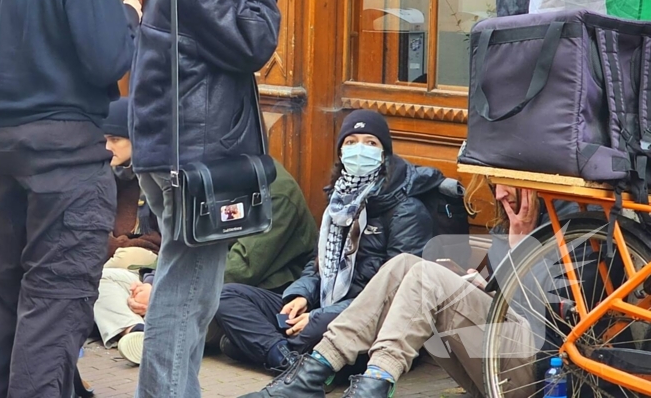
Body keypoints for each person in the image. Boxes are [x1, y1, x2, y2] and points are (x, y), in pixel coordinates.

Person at [0, 0, 140, 398]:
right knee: (54, 299)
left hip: (0, 138)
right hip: (63, 150)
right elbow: (108, 59)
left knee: (5, 289)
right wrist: (129, 15)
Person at [129, 0, 282, 398]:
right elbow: (255, 41)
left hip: (174, 153)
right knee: (188, 295)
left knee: (187, 288)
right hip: (195, 158)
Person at [237, 183, 546, 398]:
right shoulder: (514, 220)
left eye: (510, 183)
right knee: (404, 264)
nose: (500, 193)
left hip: (537, 376)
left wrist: (521, 250)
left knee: (425, 276)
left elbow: (550, 327)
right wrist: (482, 285)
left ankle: (376, 383)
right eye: (496, 183)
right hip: (495, 363)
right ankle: (314, 372)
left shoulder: (567, 223)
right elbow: (505, 301)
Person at [215, 110, 443, 374]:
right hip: (322, 304)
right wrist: (300, 296)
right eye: (351, 142)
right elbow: (317, 267)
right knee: (226, 296)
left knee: (249, 340)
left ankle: (273, 350)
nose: (359, 150)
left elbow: (393, 296)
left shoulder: (407, 211)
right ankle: (288, 359)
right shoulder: (339, 201)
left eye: (370, 142)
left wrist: (317, 316)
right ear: (341, 153)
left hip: (365, 317)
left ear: (384, 154)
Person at [117, 160, 318, 365]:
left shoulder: (277, 193)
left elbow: (242, 268)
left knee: (222, 302)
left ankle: (154, 335)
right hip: (204, 282)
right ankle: (137, 330)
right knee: (112, 279)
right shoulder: (214, 176)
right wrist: (154, 280)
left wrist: (167, 292)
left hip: (253, 293)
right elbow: (185, 244)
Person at [91, 98, 161, 364]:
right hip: (111, 260)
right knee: (93, 278)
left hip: (149, 264)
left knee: (109, 272)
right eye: (104, 140)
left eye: (116, 139)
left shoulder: (157, 175)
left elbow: (160, 240)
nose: (108, 147)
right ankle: (134, 331)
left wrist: (117, 246)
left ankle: (133, 329)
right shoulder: (101, 172)